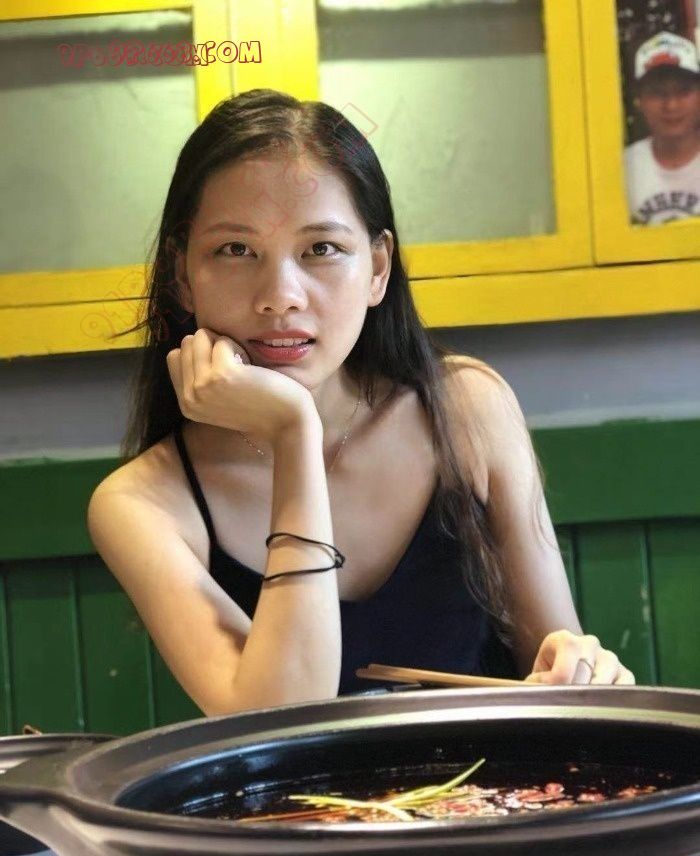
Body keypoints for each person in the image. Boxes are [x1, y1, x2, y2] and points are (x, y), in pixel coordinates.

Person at [87, 89, 635, 716]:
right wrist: (293, 433)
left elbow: (558, 668)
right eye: (236, 250)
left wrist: (577, 663)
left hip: (499, 780)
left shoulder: (468, 409)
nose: (280, 296)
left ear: (378, 268)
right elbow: (280, 721)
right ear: (183, 275)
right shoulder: (141, 504)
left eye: (321, 249)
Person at [624, 31, 700, 225]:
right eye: (657, 93)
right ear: (639, 100)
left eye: (683, 91)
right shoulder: (623, 168)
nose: (671, 106)